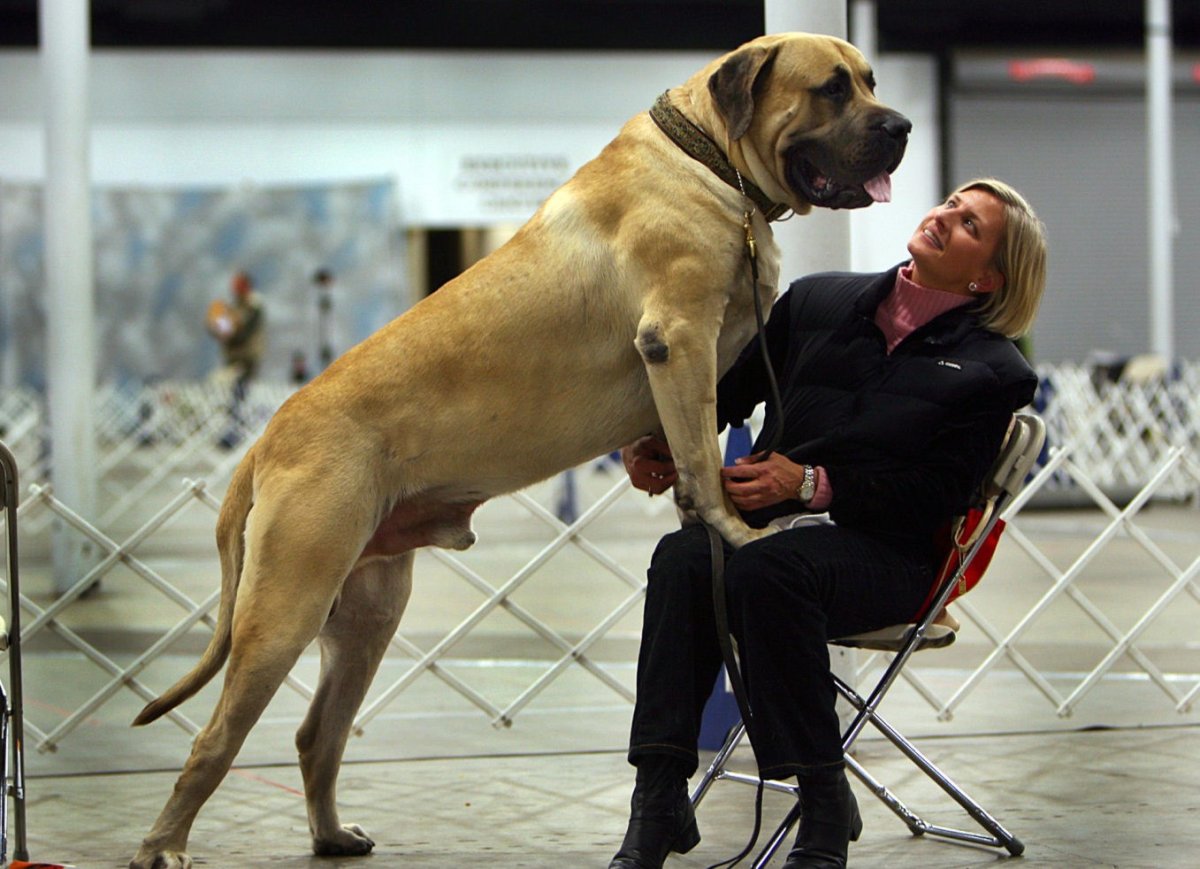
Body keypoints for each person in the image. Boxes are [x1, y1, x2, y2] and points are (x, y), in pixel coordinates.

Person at [608, 178, 1047, 869]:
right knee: (685, 558)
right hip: (776, 541)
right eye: (950, 206)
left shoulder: (996, 373)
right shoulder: (818, 300)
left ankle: (820, 801)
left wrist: (812, 484)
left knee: (765, 569)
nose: (944, 218)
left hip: (894, 555)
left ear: (988, 276)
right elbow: (728, 391)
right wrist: (662, 439)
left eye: (969, 226)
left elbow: (938, 497)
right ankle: (658, 795)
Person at [207, 270, 265, 447]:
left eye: (237, 284)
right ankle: (232, 430)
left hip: (247, 357)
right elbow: (225, 329)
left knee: (240, 394)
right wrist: (215, 326)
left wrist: (228, 331)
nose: (234, 288)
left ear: (246, 285)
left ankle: (237, 433)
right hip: (232, 356)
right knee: (232, 394)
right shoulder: (234, 306)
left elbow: (243, 330)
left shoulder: (253, 305)